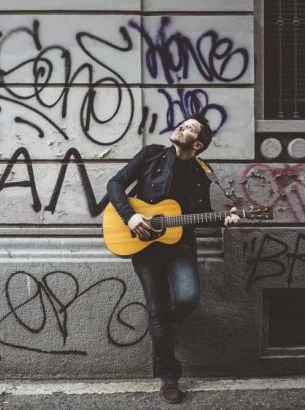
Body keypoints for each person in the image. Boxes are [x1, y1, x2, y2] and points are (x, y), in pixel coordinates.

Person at [106, 114, 240, 404]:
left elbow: (195, 217)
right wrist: (130, 218)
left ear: (198, 144)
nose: (181, 126)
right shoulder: (152, 154)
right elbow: (115, 184)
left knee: (188, 299)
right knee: (156, 310)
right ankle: (169, 377)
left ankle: (163, 323)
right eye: (183, 123)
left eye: (190, 127)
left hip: (180, 245)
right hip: (143, 245)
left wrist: (223, 219)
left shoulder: (203, 172)